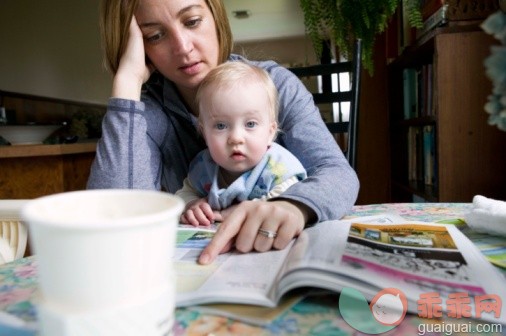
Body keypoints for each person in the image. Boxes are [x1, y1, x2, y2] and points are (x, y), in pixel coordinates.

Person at [87, 0, 360, 265]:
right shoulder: (148, 114)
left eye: (192, 21)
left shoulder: (275, 85)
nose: (183, 47)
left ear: (215, 16)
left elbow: (337, 173)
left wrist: (293, 206)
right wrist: (127, 81)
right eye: (156, 35)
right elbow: (113, 219)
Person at [176, 61, 307, 226]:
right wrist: (191, 204)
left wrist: (257, 208)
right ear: (204, 133)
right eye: (221, 126)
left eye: (250, 124)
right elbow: (184, 193)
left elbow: (292, 196)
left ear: (270, 132)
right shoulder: (204, 167)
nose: (236, 138)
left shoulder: (277, 167)